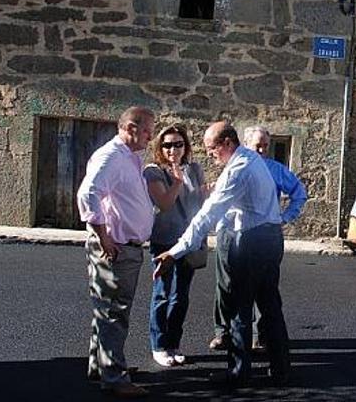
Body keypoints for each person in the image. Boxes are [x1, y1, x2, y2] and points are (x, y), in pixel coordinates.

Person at [153, 121, 290, 387]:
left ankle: (239, 372)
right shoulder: (251, 159)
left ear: (227, 143)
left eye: (211, 148)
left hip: (251, 243)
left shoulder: (238, 169)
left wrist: (174, 252)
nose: (209, 154)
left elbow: (207, 215)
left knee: (240, 308)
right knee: (271, 305)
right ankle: (280, 368)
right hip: (270, 238)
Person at [77, 106, 155, 399]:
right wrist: (103, 235)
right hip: (118, 248)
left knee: (108, 310)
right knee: (114, 312)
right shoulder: (111, 156)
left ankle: (103, 366)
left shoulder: (128, 157)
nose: (151, 136)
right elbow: (88, 193)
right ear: (131, 128)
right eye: (147, 129)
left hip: (124, 246)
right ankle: (114, 377)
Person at [209, 126, 307, 353]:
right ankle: (223, 333)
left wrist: (285, 218)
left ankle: (258, 339)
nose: (262, 150)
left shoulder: (275, 169)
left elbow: (299, 193)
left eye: (266, 145)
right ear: (244, 143)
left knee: (264, 293)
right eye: (257, 145)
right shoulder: (232, 165)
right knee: (225, 286)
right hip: (229, 232)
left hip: (261, 237)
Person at [143, 124, 207, 367]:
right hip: (164, 240)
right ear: (160, 147)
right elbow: (165, 204)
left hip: (188, 239)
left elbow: (199, 203)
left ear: (185, 146)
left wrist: (206, 193)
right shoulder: (153, 171)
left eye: (178, 144)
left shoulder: (194, 168)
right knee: (162, 294)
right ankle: (159, 346)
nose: (173, 149)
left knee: (180, 296)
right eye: (167, 144)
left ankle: (173, 343)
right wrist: (178, 182)